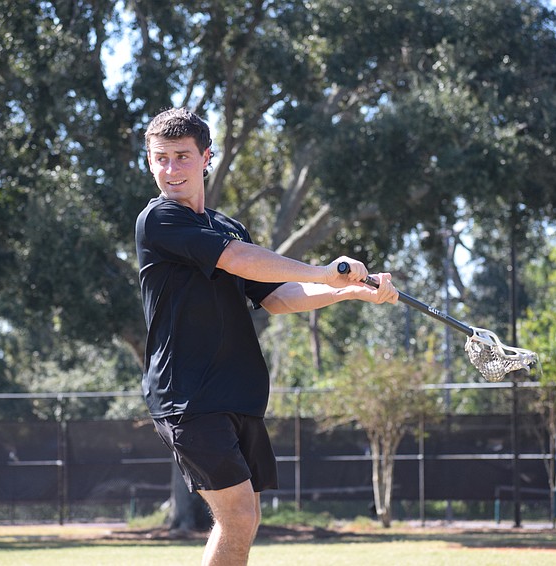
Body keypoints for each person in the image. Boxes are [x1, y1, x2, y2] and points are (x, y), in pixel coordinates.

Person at [134, 108, 399, 565]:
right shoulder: (159, 221)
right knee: (237, 517)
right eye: (161, 159)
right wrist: (324, 270)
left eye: (181, 157)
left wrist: (348, 291)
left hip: (236, 395)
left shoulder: (228, 226)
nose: (170, 170)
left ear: (206, 158)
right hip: (188, 397)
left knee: (246, 516)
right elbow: (237, 259)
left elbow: (278, 296)